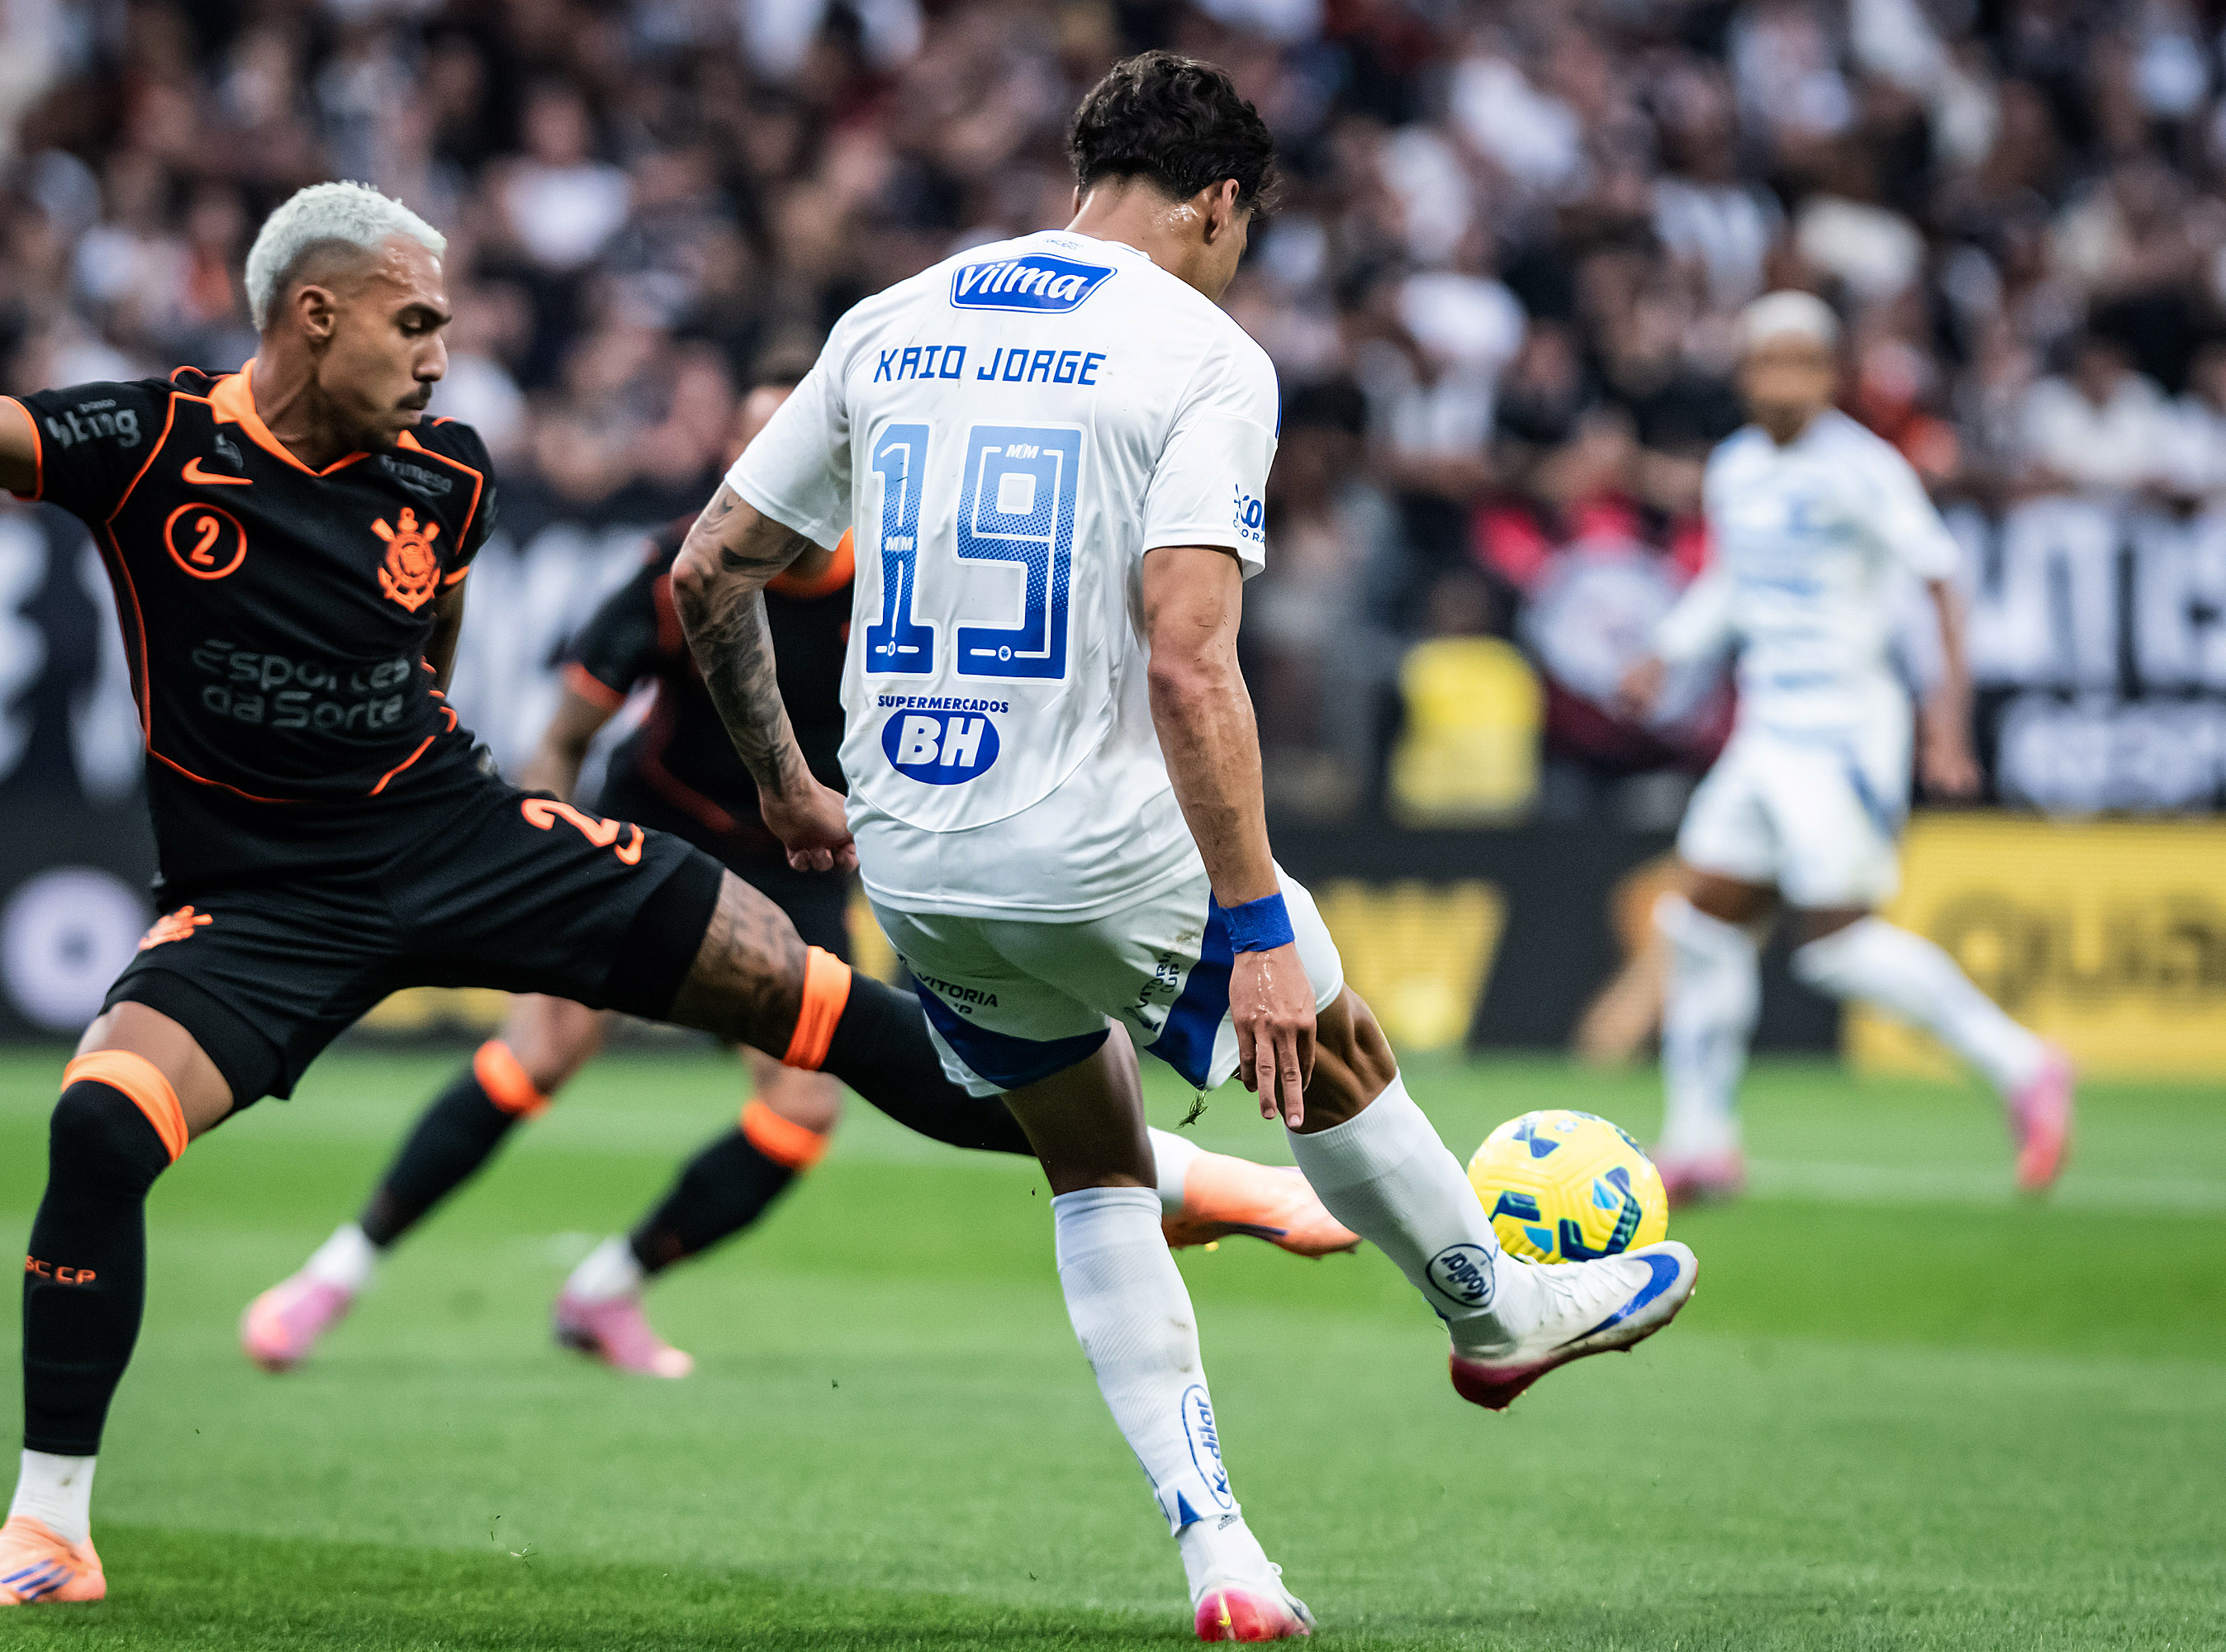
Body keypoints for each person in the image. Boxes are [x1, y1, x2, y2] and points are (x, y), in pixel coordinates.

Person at [0, 181, 1126, 1612]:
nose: (438, 354)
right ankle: (50, 1531)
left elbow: (436, 626)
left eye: (446, 327)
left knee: (805, 1016)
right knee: (101, 1124)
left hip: (453, 838)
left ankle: (1154, 1167)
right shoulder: (154, 441)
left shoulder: (447, 477)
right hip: (271, 901)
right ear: (314, 310)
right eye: (416, 322)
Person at [672, 53, 1698, 1642]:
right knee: (1335, 1050)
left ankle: (1220, 1552)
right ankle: (1499, 1316)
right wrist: (1253, 920)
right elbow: (1188, 656)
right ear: (1221, 203)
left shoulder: (893, 317)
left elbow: (708, 568)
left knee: (1095, 1165)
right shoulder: (1203, 352)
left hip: (916, 854)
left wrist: (791, 787)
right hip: (1096, 840)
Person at [240, 363, 1357, 1382]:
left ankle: (606, 1291)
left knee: (802, 1108)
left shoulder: (905, 576)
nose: (761, 477)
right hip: (659, 828)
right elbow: (568, 735)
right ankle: (333, 1276)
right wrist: (534, 846)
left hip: (800, 856)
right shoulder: (689, 568)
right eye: (746, 451)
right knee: (540, 1051)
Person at [1618, 290, 2074, 1205]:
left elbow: (1940, 580)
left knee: (1835, 944)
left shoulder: (1863, 469)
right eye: (1765, 362)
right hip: (1765, 732)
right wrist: (1668, 649)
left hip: (1844, 735)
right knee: (1703, 921)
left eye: (1800, 362)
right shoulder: (1739, 467)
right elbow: (1733, 586)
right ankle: (1702, 1141)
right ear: (1745, 373)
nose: (1782, 380)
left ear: (1830, 375)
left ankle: (2024, 1063)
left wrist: (1948, 717)